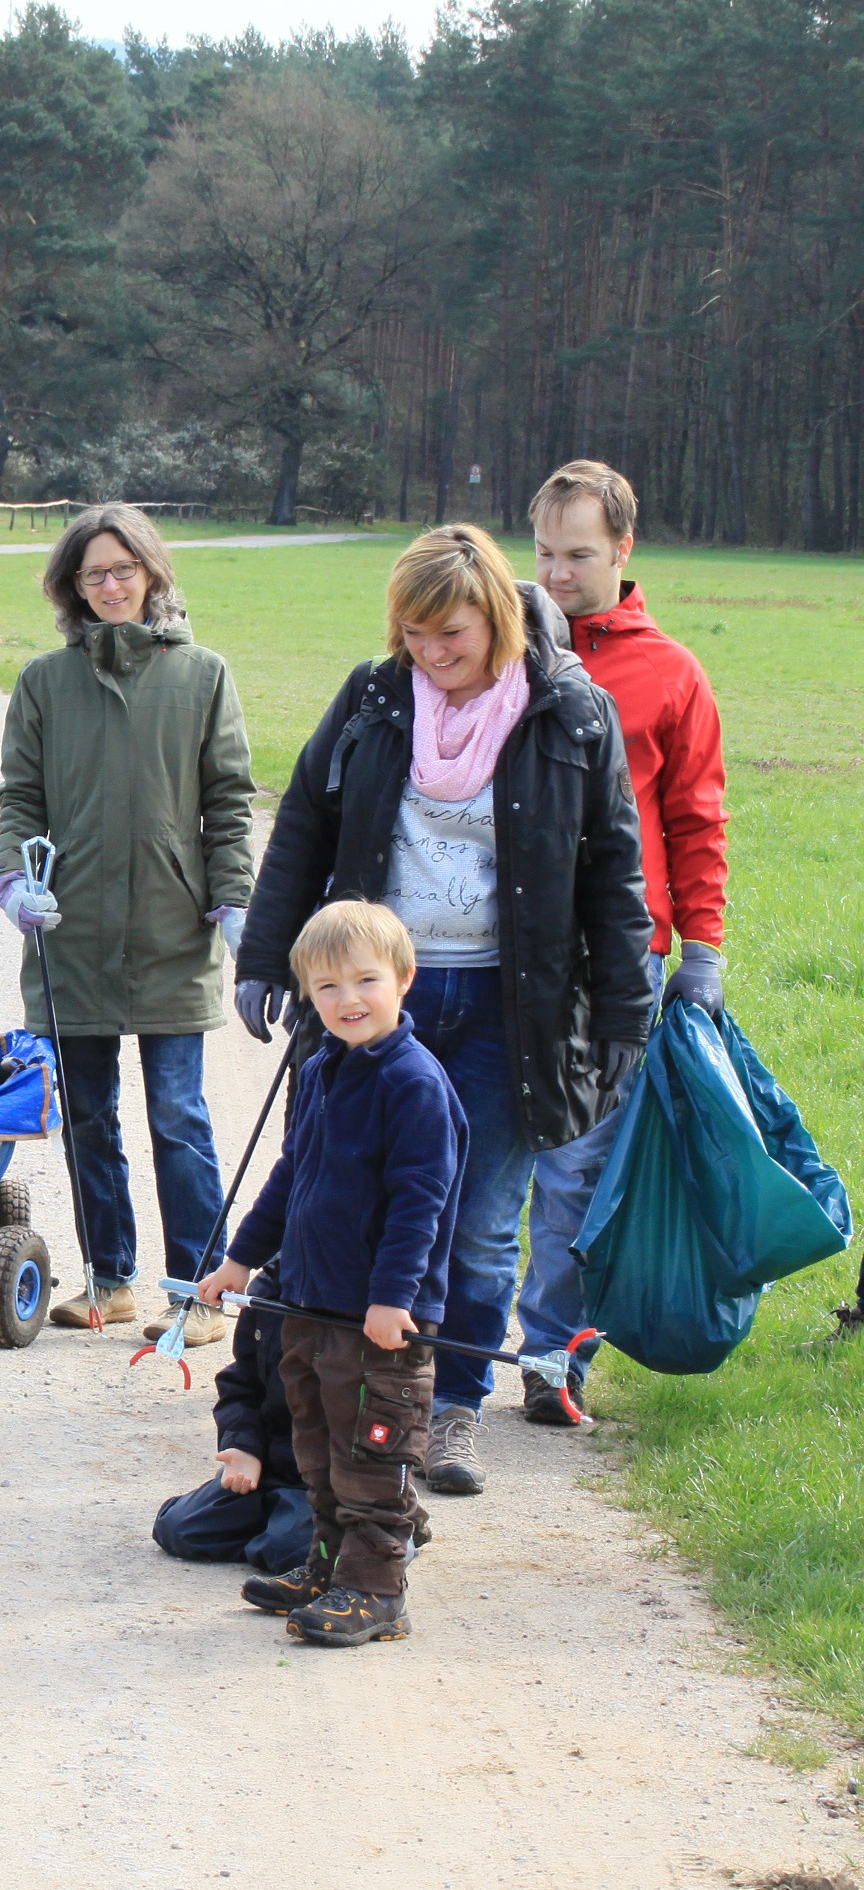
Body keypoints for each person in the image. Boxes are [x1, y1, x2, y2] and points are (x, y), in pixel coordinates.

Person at [235, 526, 653, 1497]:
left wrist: (624, 1017)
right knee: (342, 1194)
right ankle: (327, 1396)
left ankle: (444, 1408)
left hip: (515, 1010)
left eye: (451, 635)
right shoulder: (371, 700)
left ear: (496, 621)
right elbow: (302, 826)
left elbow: (612, 877)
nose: (430, 653)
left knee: (470, 1223)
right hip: (377, 1002)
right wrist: (265, 960)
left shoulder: (568, 714)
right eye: (414, 633)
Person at [0, 503, 257, 1336]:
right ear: (73, 586)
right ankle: (110, 1281)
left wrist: (236, 896)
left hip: (173, 936)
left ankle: (198, 1293)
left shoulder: (204, 675)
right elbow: (20, 800)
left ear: (152, 573)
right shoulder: (43, 681)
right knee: (89, 1115)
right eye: (92, 573)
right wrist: (12, 883)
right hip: (70, 938)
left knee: (178, 1115)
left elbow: (230, 801)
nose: (110, 585)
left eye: (123, 569)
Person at [517, 460, 729, 1422]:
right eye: (546, 553)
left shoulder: (671, 672)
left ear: (625, 550)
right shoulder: (498, 648)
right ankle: (444, 1351)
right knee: (474, 1159)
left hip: (618, 955)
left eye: (579, 555)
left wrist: (704, 951)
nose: (557, 574)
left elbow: (697, 819)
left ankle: (551, 1361)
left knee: (576, 1168)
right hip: (498, 943)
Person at [199, 902, 465, 1646]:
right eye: (327, 988)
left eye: (366, 981)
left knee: (372, 1453)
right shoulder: (321, 1071)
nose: (348, 1000)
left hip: (379, 1320)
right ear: (308, 997)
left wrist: (393, 1297)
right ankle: (326, 1567)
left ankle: (378, 1591)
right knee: (318, 1448)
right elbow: (292, 1176)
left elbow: (422, 1201)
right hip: (311, 1304)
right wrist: (240, 1258)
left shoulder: (414, 1085)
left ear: (404, 979)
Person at [150, 1267, 313, 1576]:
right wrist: (243, 1447)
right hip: (267, 1469)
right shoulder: (268, 1289)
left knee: (288, 1550)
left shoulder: (358, 1302)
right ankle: (283, 1528)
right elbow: (242, 1384)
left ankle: (383, 1532)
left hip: (326, 1480)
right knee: (178, 1528)